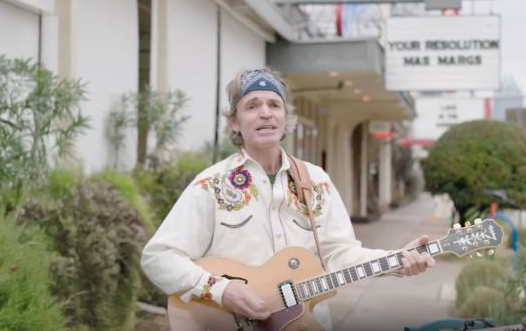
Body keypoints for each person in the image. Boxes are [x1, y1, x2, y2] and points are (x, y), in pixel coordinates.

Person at [140, 68, 435, 330]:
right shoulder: (212, 184)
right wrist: (221, 290)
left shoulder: (316, 181)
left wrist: (396, 260)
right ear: (234, 122)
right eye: (252, 106)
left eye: (274, 105)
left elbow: (340, 255)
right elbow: (159, 257)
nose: (265, 113)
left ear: (285, 117)